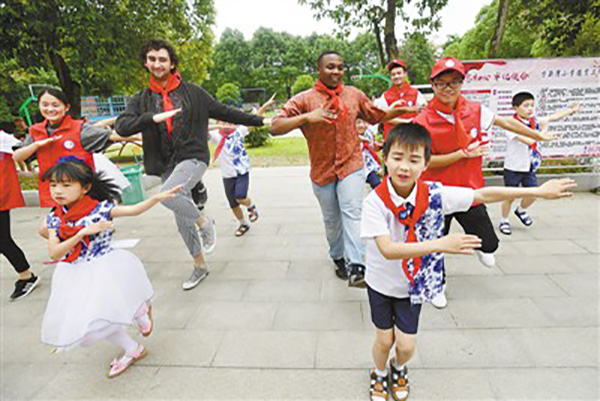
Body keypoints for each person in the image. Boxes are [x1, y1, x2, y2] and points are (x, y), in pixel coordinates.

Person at [361, 123, 575, 401]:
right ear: (385, 158)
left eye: (414, 160)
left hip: (414, 284)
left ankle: (398, 367)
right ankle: (379, 373)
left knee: (406, 345)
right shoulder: (374, 203)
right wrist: (442, 244)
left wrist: (537, 193)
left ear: (426, 164)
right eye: (397, 157)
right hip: (380, 283)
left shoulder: (434, 195)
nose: (404, 166)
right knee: (384, 339)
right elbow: (388, 249)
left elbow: (482, 195)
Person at [115, 39, 268, 290]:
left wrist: (261, 122)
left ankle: (205, 223)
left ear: (172, 63)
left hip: (193, 156)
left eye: (162, 59)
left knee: (167, 196)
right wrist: (151, 118)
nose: (157, 64)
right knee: (181, 216)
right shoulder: (141, 99)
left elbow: (226, 112)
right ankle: (199, 266)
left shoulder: (193, 93)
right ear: (146, 62)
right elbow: (122, 126)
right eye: (152, 59)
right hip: (165, 164)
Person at [413, 57, 557, 308]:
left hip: (470, 191)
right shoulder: (422, 122)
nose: (449, 88)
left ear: (462, 83)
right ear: (432, 85)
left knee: (490, 244)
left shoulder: (475, 111)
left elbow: (508, 122)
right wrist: (461, 155)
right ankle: (436, 286)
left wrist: (538, 135)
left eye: (455, 82)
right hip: (436, 194)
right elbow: (423, 163)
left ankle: (482, 246)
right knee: (433, 247)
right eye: (442, 83)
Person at [270, 50, 412, 286]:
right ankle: (338, 256)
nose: (336, 71)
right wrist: (307, 117)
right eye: (330, 67)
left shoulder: (353, 95)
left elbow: (375, 115)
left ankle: (357, 265)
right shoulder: (304, 99)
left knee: (352, 211)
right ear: (319, 69)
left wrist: (400, 111)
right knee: (332, 219)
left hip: (351, 165)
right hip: (322, 171)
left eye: (340, 67)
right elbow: (275, 126)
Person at [40, 159, 181, 378]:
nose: (58, 191)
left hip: (104, 268)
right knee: (88, 331)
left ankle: (135, 337)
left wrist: (155, 198)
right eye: (53, 185)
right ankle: (136, 330)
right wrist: (80, 233)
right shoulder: (54, 218)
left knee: (100, 321)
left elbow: (133, 210)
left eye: (66, 185)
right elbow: (54, 252)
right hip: (73, 273)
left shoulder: (100, 209)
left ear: (85, 188)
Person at [13, 88, 128, 208]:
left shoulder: (79, 128)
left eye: (55, 105)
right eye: (45, 105)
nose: (50, 109)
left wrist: (142, 136)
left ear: (66, 107)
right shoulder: (36, 131)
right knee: (56, 225)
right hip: (55, 193)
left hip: (82, 193)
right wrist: (36, 145)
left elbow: (112, 136)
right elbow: (17, 156)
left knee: (88, 224)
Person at [499, 92, 580, 235]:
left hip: (530, 166)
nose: (530, 108)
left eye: (532, 105)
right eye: (526, 106)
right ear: (516, 108)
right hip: (514, 167)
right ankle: (504, 220)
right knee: (509, 196)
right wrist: (543, 135)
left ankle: (521, 210)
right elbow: (529, 140)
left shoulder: (534, 121)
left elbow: (553, 117)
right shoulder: (510, 125)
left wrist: (571, 110)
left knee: (534, 194)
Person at [208, 95, 275, 236]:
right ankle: (243, 224)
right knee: (233, 203)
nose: (227, 124)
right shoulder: (216, 136)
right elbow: (201, 128)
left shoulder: (239, 131)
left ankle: (251, 207)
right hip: (227, 175)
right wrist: (218, 126)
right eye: (223, 121)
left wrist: (266, 105)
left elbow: (254, 117)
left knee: (240, 196)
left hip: (242, 171)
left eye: (230, 121)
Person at [0, 130, 39, 301]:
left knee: (3, 240)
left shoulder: (4, 139)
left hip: (1, 195)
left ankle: (26, 276)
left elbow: (24, 151)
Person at [374, 59, 427, 141]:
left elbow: (424, 112)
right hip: (393, 139)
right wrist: (407, 122)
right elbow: (383, 117)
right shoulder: (385, 96)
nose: (396, 76)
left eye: (399, 73)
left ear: (405, 74)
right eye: (393, 74)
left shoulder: (416, 93)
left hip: (412, 137)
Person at [356, 119, 382, 189]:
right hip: (355, 168)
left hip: (368, 166)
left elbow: (372, 147)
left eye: (364, 122)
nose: (362, 125)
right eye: (358, 123)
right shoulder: (349, 136)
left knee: (377, 184)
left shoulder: (369, 133)